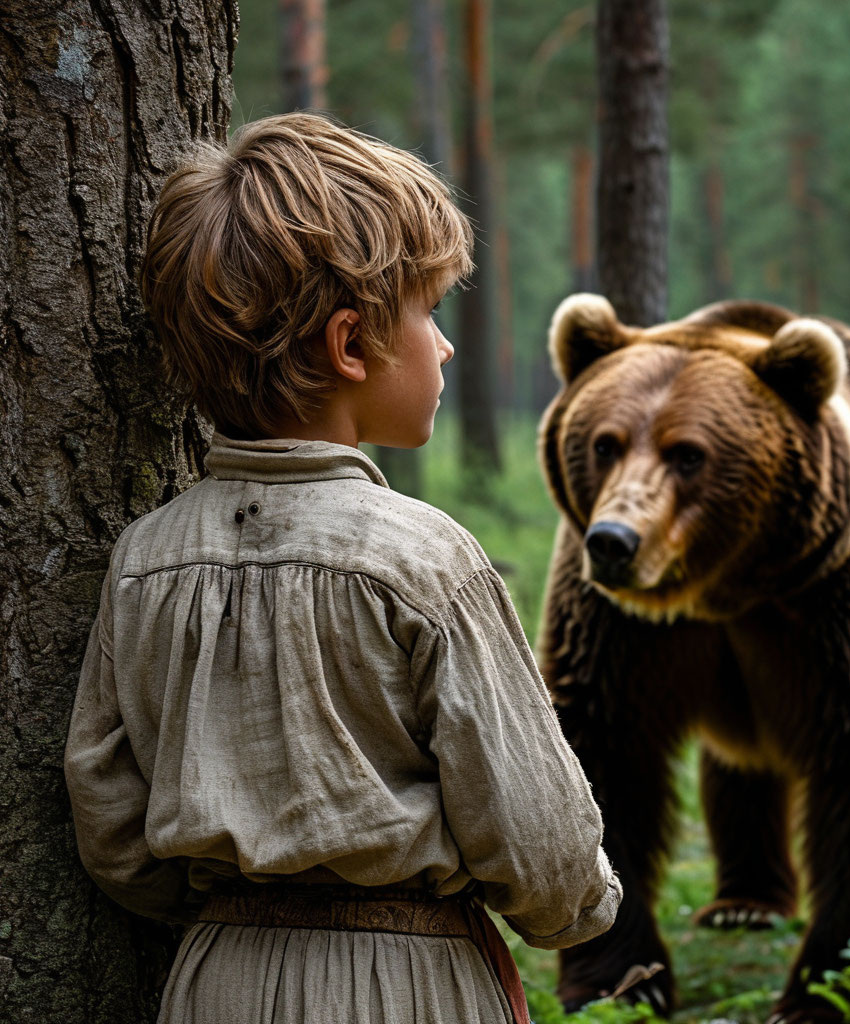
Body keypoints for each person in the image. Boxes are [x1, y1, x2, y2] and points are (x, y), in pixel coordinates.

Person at [63, 112, 621, 1024]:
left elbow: (110, 819)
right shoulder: (425, 560)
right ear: (352, 344)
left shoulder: (145, 560)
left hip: (212, 983)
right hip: (410, 986)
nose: (443, 345)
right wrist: (579, 908)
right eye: (428, 311)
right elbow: (542, 843)